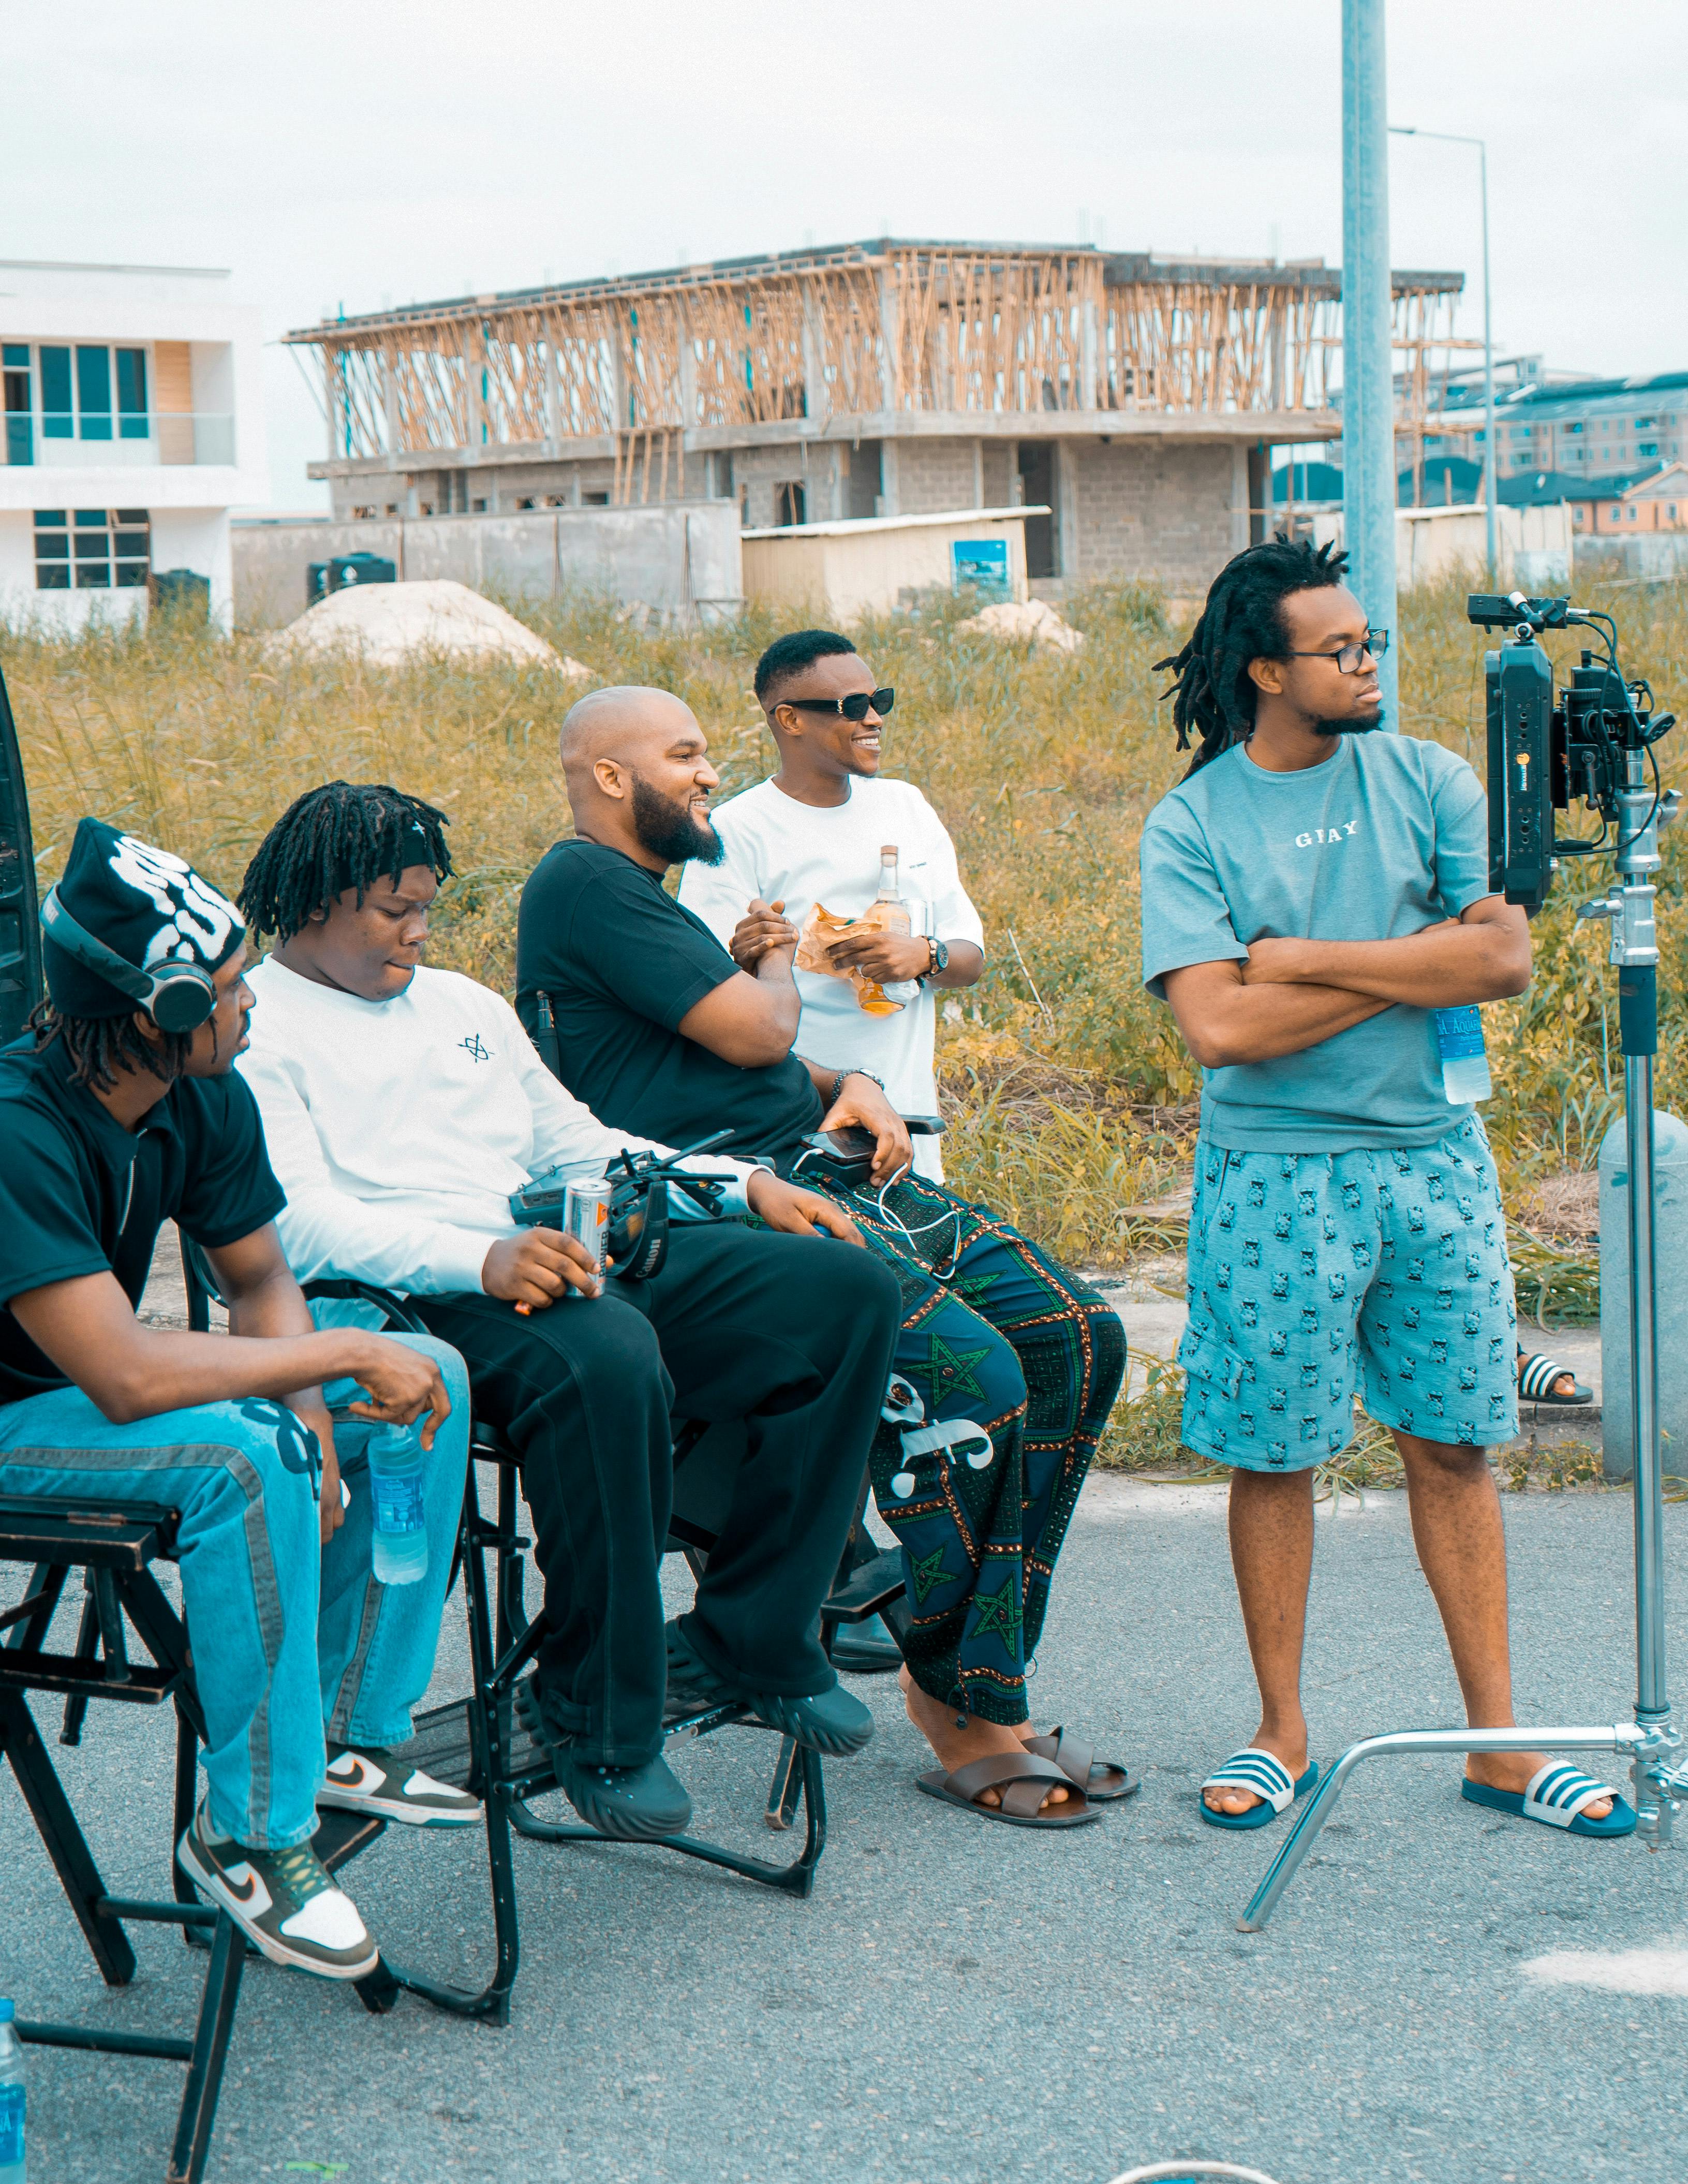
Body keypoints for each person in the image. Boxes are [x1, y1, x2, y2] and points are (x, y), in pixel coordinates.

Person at [235, 781, 901, 1846]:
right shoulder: (258, 1029)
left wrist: (739, 1186)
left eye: (427, 906)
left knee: (844, 1293)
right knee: (605, 1353)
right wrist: (481, 1257)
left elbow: (577, 1143)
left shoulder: (461, 1008)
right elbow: (296, 1228)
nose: (418, 929)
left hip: (539, 1248)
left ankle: (758, 1636)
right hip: (411, 1297)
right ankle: (595, 1708)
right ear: (317, 901)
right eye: (395, 909)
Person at [516, 688, 1131, 1830]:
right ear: (609, 775)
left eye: (705, 755)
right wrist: (780, 977)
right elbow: (753, 1028)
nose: (706, 774)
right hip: (746, 1206)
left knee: (1079, 1338)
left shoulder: (637, 899)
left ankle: (977, 1680)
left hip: (818, 1153)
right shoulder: (583, 883)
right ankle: (960, 1707)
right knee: (979, 1388)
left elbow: (714, 1058)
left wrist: (838, 1080)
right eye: (684, 755)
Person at [1141, 535, 1633, 1840]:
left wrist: (1291, 956)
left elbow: (1503, 959)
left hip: (1432, 1160)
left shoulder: (1428, 775)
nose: (1369, 663)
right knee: (1274, 1451)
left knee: (1457, 1443)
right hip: (1271, 1174)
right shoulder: (1192, 821)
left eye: (1371, 643)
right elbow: (1219, 1035)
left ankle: (1499, 1743)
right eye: (1342, 649)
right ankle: (1281, 1730)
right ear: (1265, 668)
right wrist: (1406, 956)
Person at [0, 820, 478, 1986]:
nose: (252, 999)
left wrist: (320, 1398)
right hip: (19, 1419)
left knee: (431, 1379)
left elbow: (260, 1279)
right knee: (241, 1451)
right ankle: (252, 1836)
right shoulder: (15, 1128)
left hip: (95, 1398)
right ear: (158, 1012)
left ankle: (340, 1736)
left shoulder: (202, 1093)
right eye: (225, 987)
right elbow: (125, 1372)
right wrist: (316, 1380)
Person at [677, 627, 985, 1182]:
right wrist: (756, 956)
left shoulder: (905, 807)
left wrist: (923, 954)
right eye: (854, 706)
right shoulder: (735, 833)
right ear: (790, 719)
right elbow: (707, 995)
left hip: (910, 1123)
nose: (875, 719)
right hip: (802, 1130)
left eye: (880, 701)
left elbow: (970, 956)